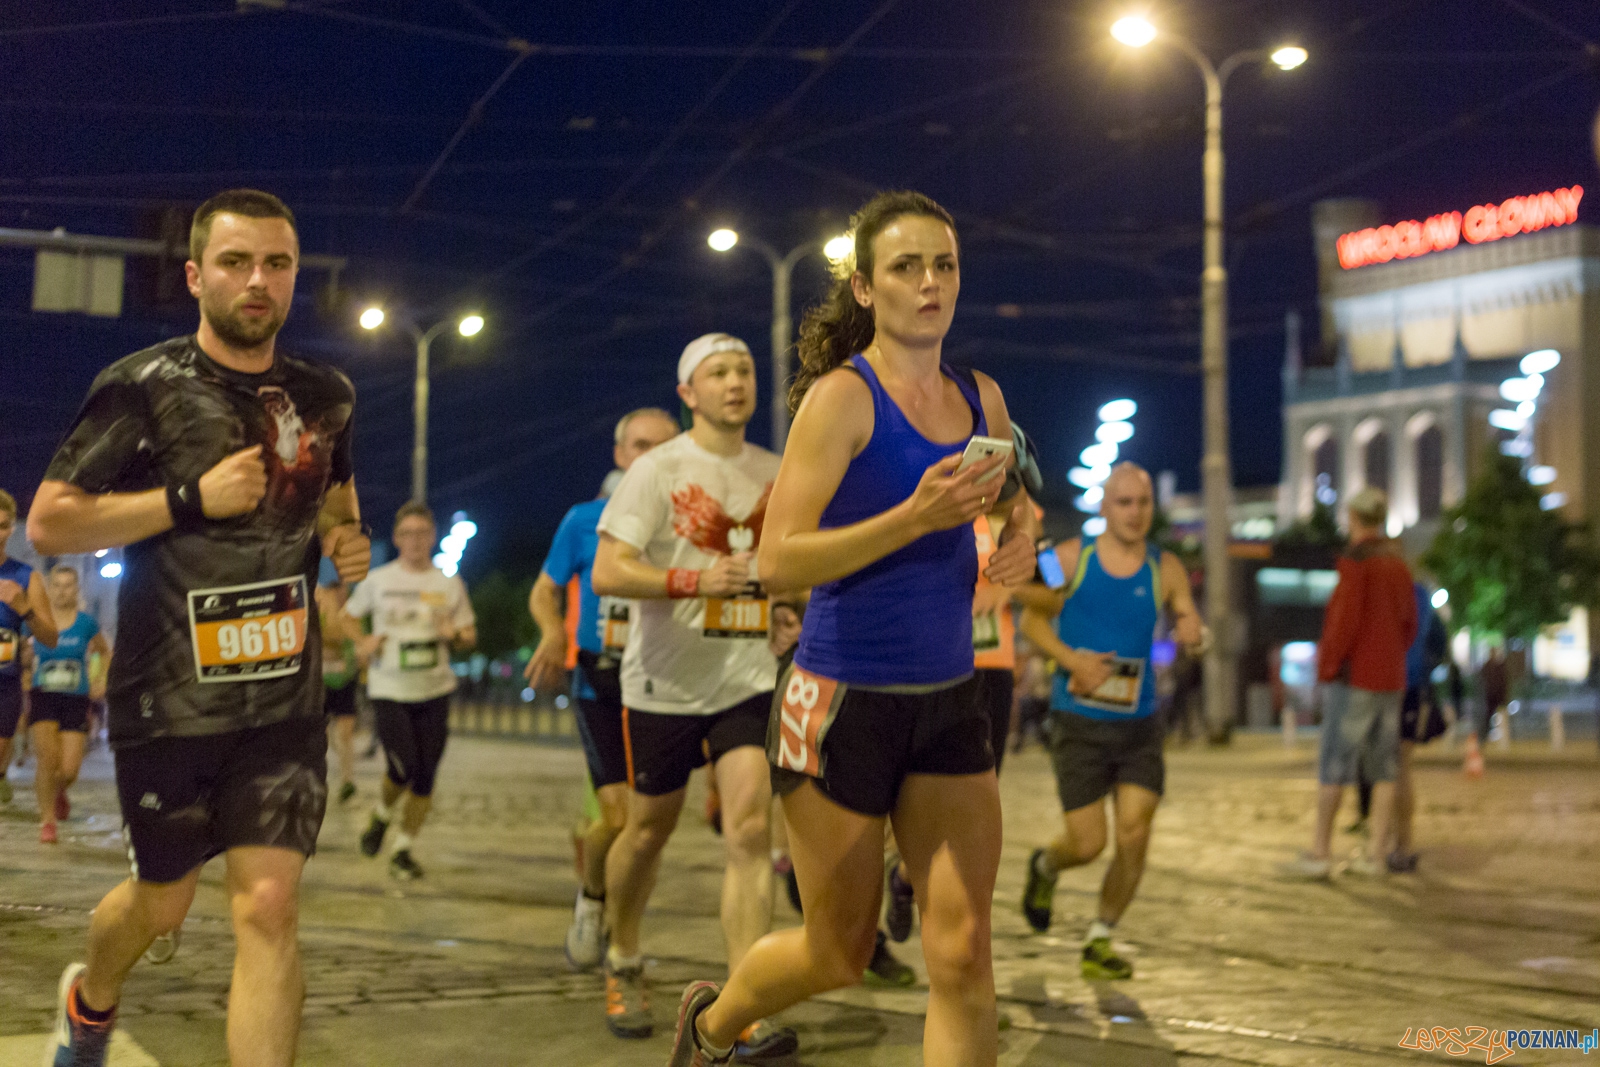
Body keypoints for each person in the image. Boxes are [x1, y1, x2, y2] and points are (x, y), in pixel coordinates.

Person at [666, 190, 1038, 1067]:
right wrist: (913, 517)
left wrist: (1021, 540)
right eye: (906, 267)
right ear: (867, 289)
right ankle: (711, 1029)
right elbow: (779, 559)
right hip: (836, 704)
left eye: (943, 265)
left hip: (950, 700)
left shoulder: (980, 396)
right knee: (836, 950)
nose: (930, 283)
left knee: (963, 951)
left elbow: (1020, 500)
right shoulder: (842, 400)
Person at [27, 188, 370, 1067]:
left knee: (267, 907)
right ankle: (90, 999)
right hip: (167, 698)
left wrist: (342, 535)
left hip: (283, 699)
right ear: (194, 275)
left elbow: (335, 484)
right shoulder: (143, 387)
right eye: (235, 262)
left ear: (294, 277)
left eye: (277, 264)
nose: (258, 281)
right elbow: (52, 523)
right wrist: (188, 498)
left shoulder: (325, 394)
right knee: (163, 901)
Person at [590, 332, 797, 1059]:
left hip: (744, 677)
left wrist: (788, 603)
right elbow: (609, 571)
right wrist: (690, 580)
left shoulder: (778, 471)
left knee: (749, 832)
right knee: (647, 830)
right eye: (718, 372)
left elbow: (789, 570)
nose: (735, 382)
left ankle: (745, 999)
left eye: (743, 370)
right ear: (689, 393)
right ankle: (622, 951)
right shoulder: (659, 469)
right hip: (662, 683)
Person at [1017, 463, 1201, 981]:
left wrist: (1194, 630)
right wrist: (1071, 660)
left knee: (1136, 833)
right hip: (1078, 722)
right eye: (1123, 502)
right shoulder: (1068, 559)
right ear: (1103, 506)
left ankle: (1100, 936)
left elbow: (1187, 614)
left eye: (1143, 503)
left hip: (1139, 726)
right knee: (1088, 843)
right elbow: (1031, 618)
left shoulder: (1164, 568)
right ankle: (1046, 866)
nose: (1135, 513)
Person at [525, 406, 678, 969]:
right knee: (616, 817)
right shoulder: (584, 520)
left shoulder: (687, 525)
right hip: (601, 682)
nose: (650, 458)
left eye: (663, 447)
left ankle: (623, 927)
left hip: (665, 681)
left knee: (650, 824)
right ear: (620, 455)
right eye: (640, 446)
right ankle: (592, 902)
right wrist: (548, 634)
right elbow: (545, 590)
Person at [1285, 487, 1416, 880]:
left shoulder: (1355, 564)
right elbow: (1409, 624)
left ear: (1354, 518)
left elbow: (1343, 624)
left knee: (1335, 764)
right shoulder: (1399, 565)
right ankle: (1375, 855)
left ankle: (1321, 852)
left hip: (1355, 678)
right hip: (1391, 678)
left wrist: (1327, 668)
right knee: (1384, 768)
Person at [345, 503, 477, 881]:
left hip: (434, 689)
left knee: (425, 776)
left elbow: (469, 634)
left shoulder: (449, 583)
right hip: (390, 687)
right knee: (402, 765)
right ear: (398, 538)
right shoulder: (379, 579)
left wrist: (455, 634)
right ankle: (382, 814)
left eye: (423, 533)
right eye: (408, 534)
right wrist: (363, 641)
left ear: (432, 537)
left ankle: (402, 848)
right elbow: (347, 617)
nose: (416, 541)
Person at [28, 565, 110, 842]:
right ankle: (47, 821)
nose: (62, 591)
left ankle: (60, 789)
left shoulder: (86, 623)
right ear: (49, 590)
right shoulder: (40, 621)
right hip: (43, 695)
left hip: (75, 698)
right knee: (46, 759)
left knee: (69, 769)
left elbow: (103, 651)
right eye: (57, 585)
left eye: (68, 585)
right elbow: (23, 653)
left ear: (76, 589)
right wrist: (25, 675)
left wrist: (99, 679)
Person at [1, 488, 60, 805]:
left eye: (2, 525)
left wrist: (24, 608)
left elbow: (51, 637)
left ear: (11, 529)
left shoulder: (26, 577)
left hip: (5, 683)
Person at [317, 567, 360, 804]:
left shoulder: (355, 611)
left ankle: (347, 780)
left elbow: (360, 640)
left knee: (345, 733)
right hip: (321, 682)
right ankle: (319, 780)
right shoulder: (321, 610)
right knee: (322, 736)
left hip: (345, 680)